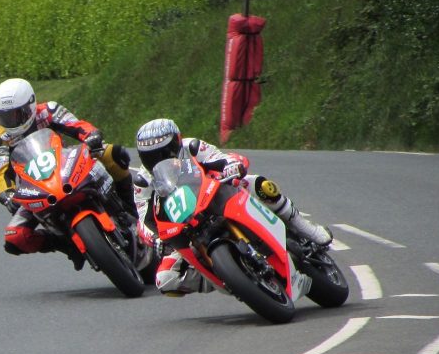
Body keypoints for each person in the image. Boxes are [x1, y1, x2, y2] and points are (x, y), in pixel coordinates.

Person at [134, 117, 332, 296]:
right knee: (165, 280)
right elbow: (143, 216)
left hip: (217, 196)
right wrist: (154, 238)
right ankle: (227, 278)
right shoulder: (143, 180)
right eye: (151, 157)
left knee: (260, 185)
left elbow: (219, 158)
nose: (160, 160)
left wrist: (231, 166)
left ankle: (306, 229)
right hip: (184, 225)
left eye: (164, 152)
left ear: (178, 140)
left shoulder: (192, 147)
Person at [0, 78, 136, 269]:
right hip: (35, 187)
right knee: (15, 237)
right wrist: (7, 194)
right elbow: (1, 172)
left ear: (31, 105)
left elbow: (77, 125)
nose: (12, 121)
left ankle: (130, 208)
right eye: (5, 117)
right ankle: (66, 244)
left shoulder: (48, 111)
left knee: (112, 154)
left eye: (17, 114)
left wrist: (91, 135)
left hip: (68, 164)